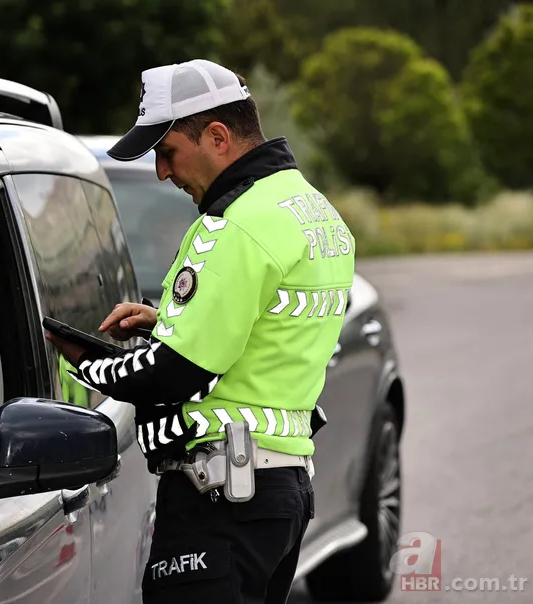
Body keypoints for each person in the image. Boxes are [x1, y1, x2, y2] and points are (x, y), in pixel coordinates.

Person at [46, 59, 355, 603]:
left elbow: (173, 375)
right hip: (279, 493)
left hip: (220, 499)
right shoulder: (315, 212)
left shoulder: (234, 225)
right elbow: (266, 330)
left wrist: (74, 354)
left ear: (216, 136)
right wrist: (167, 320)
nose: (163, 173)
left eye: (167, 153)